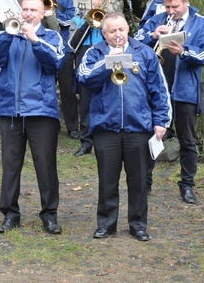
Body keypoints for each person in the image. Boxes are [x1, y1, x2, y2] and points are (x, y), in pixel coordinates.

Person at [77, 12, 171, 242]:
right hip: (106, 128)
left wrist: (161, 121)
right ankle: (106, 224)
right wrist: (108, 62)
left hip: (138, 127)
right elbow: (84, 78)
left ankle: (138, 225)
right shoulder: (95, 52)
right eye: (112, 31)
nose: (117, 34)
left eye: (121, 29)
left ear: (128, 29)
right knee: (107, 180)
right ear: (104, 33)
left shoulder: (145, 52)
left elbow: (159, 89)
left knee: (138, 180)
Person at [0, 0, 65, 235]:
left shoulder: (51, 37)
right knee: (10, 166)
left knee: (45, 165)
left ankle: (49, 215)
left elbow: (56, 63)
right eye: (25, 9)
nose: (28, 13)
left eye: (33, 10)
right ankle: (10, 214)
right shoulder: (4, 35)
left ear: (43, 14)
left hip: (41, 110)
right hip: (10, 110)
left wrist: (35, 40)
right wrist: (10, 34)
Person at [135, 0, 204, 204]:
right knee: (150, 136)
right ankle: (145, 182)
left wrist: (184, 52)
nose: (171, 11)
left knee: (187, 140)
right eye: (168, 6)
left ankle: (187, 185)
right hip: (156, 90)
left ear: (186, 2)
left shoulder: (202, 23)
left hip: (185, 90)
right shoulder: (157, 19)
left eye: (176, 6)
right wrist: (152, 35)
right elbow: (133, 43)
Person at [68, 0, 106, 157]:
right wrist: (87, 22)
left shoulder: (107, 19)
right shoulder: (77, 19)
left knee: (106, 101)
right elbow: (72, 45)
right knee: (85, 103)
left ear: (101, 0)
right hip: (85, 61)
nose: (92, 0)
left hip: (104, 59)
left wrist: (101, 21)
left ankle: (103, 141)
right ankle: (86, 142)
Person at [40, 0, 77, 137]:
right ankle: (50, 125)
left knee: (66, 86)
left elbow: (71, 16)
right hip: (43, 44)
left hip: (63, 45)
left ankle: (72, 127)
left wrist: (53, 15)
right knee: (46, 86)